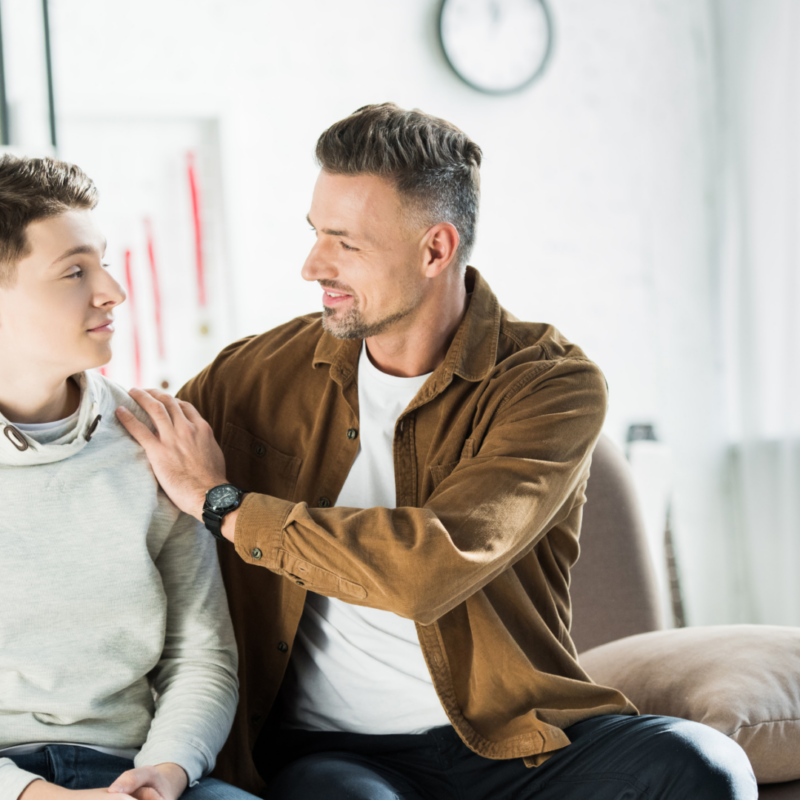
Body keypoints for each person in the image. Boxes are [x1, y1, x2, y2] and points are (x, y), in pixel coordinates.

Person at [118, 103, 758, 800]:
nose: (312, 266)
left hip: (513, 741)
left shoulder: (549, 384)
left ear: (435, 249)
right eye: (314, 234)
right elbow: (114, 454)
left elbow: (431, 564)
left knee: (702, 767)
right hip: (335, 753)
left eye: (345, 243)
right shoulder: (254, 375)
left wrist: (230, 508)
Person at [0, 155, 258, 800]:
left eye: (104, 262)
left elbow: (201, 655)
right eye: (75, 271)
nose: (113, 289)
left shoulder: (155, 440)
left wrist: (166, 770)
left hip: (134, 773)